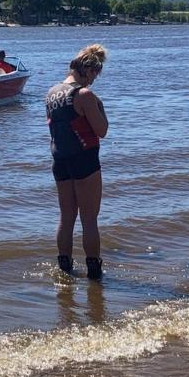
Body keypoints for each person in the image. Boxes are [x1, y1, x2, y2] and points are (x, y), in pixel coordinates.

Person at [46, 44, 109, 280]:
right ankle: (94, 272)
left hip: (60, 160)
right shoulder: (84, 95)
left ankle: (65, 269)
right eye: (95, 74)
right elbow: (102, 130)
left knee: (66, 216)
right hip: (85, 159)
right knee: (89, 219)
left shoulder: (52, 92)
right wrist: (99, 106)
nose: (94, 80)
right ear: (88, 69)